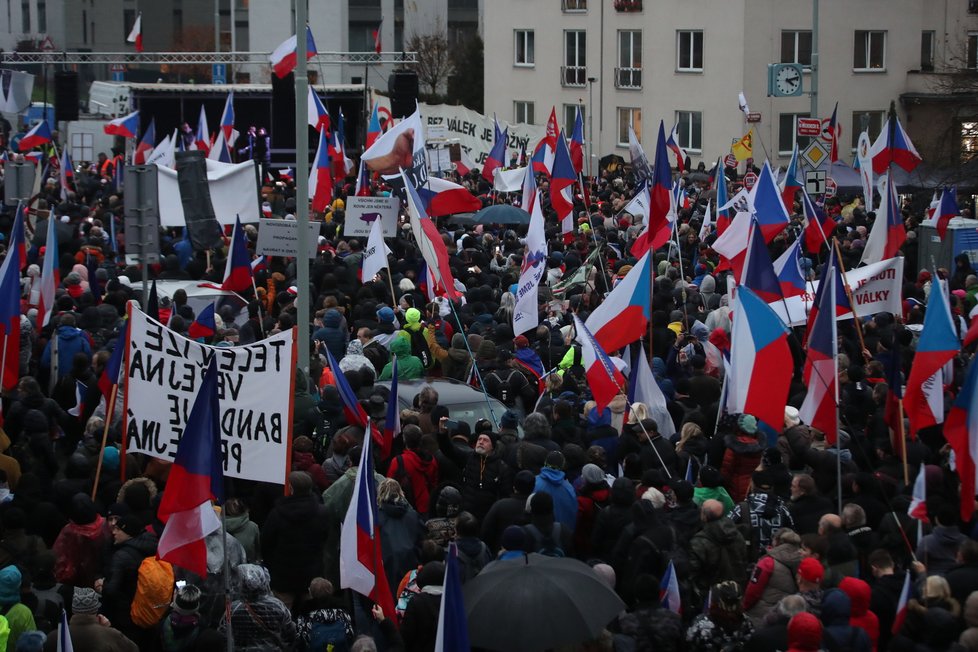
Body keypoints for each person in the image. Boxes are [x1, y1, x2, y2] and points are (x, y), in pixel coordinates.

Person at [261, 471, 329, 610]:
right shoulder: (322, 512)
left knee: (282, 614)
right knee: (311, 612)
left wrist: (272, 565)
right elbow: (325, 537)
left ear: (291, 488)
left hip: (283, 575)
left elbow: (266, 542)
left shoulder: (277, 513)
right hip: (311, 573)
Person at [221, 564, 296, 651]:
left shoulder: (231, 608)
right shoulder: (277, 606)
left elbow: (224, 633)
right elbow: (290, 633)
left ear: (241, 583)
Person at [43, 587, 138, 651]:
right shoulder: (110, 636)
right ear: (96, 609)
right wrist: (107, 629)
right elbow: (134, 649)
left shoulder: (54, 637)